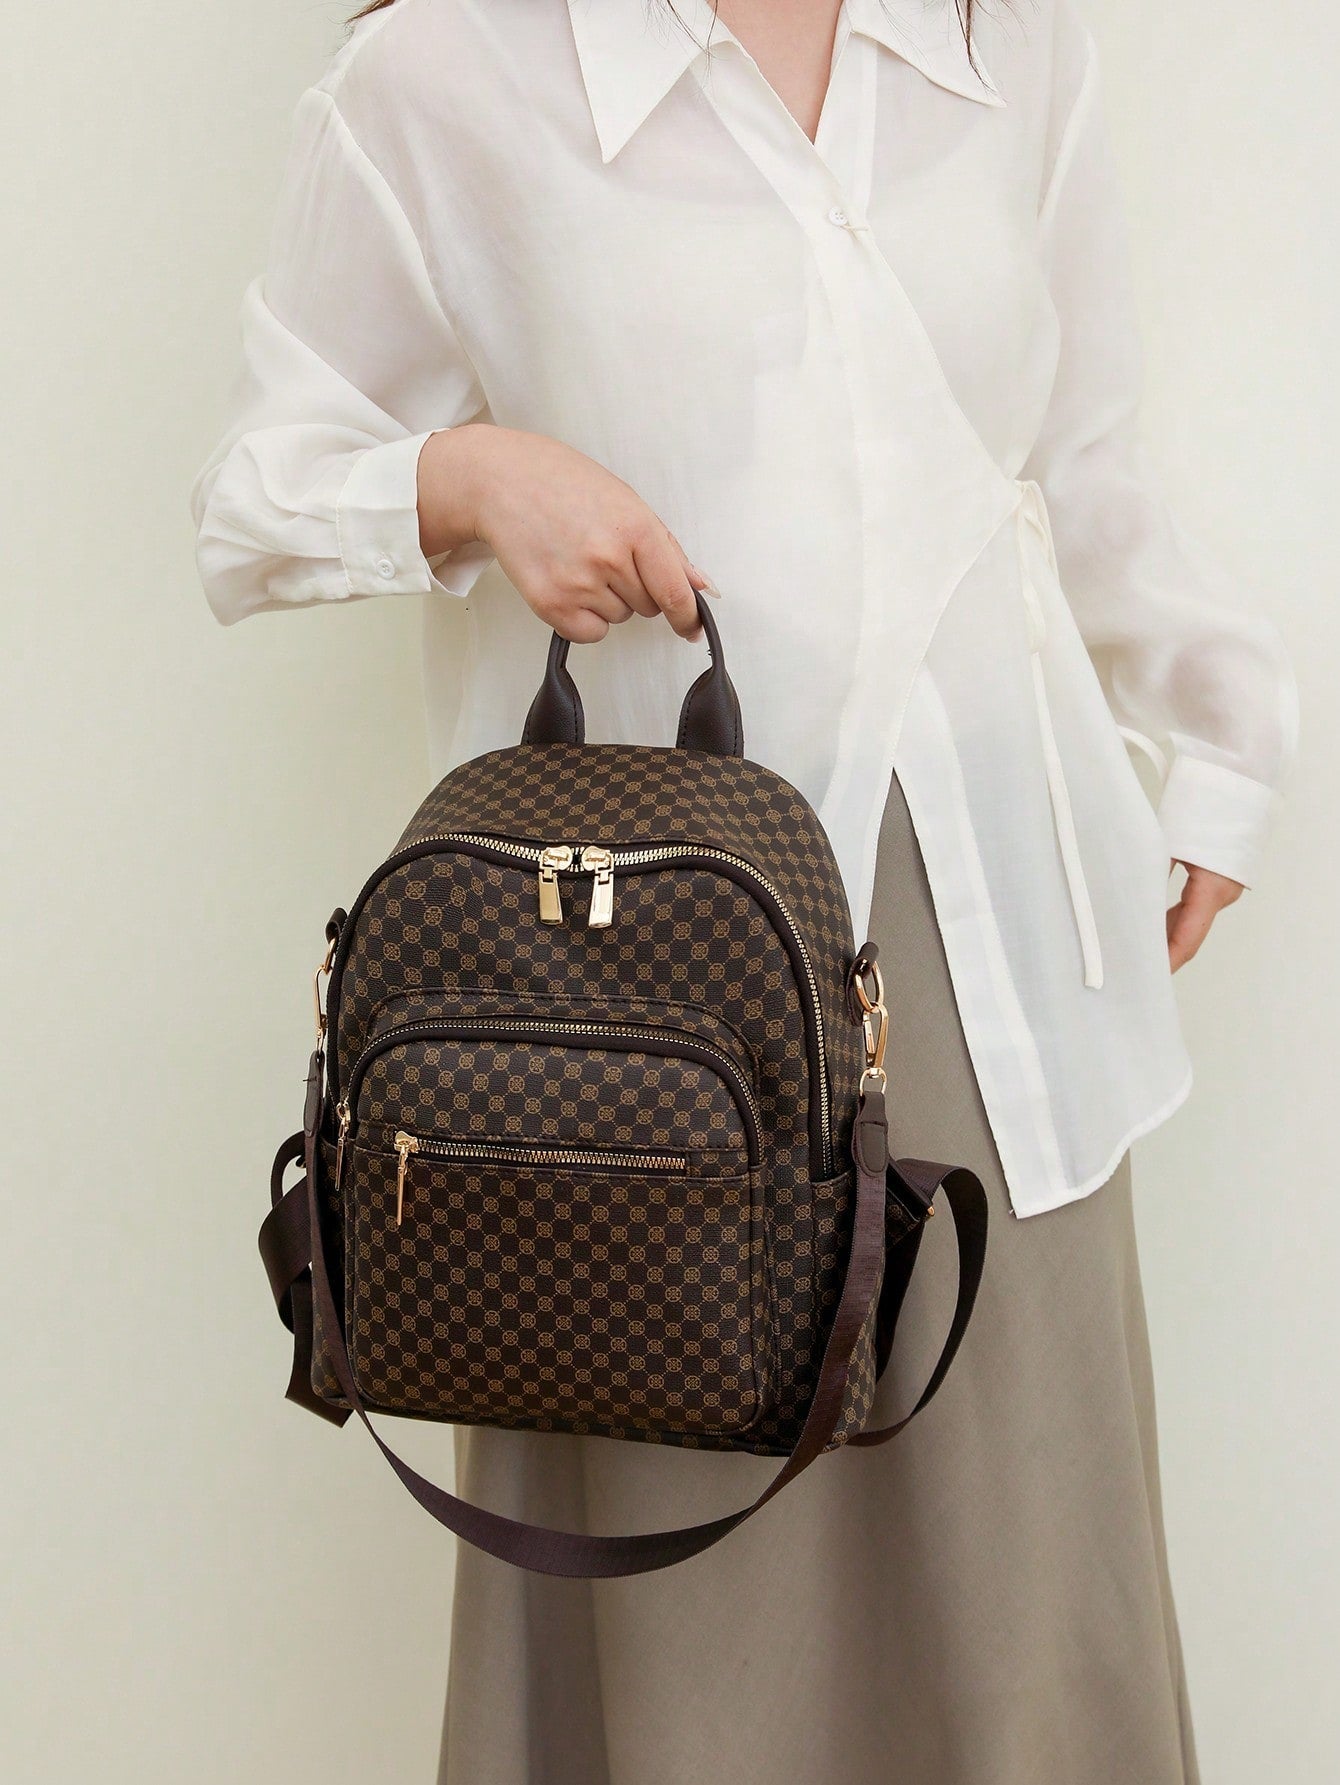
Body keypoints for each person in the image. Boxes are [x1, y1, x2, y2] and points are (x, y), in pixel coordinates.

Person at [190, 1, 1298, 1779]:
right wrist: (470, 479)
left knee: (1024, 1552)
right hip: (651, 1008)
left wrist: (1219, 741)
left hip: (995, 945)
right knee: (700, 1614)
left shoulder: (1008, 50)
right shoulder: (450, 76)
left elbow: (1071, 463)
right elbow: (254, 499)